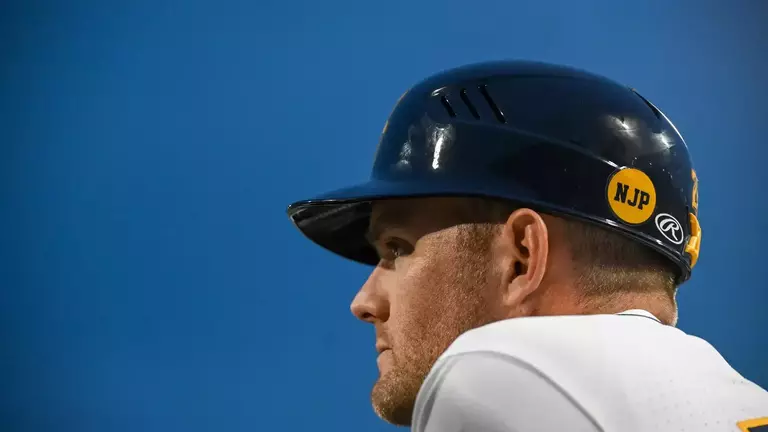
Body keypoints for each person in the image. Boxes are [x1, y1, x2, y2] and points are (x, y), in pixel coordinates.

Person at [286, 61, 768, 431]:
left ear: (521, 257)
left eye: (398, 248)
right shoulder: (746, 399)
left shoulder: (497, 371)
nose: (364, 302)